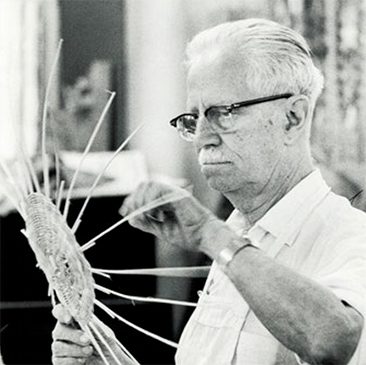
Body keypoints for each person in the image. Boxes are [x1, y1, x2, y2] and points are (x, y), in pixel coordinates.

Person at [51, 18, 366, 365]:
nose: (202, 137)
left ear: (293, 117)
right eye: (194, 119)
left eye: (222, 114)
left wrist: (210, 234)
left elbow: (334, 339)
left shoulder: (349, 235)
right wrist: (111, 361)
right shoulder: (232, 238)